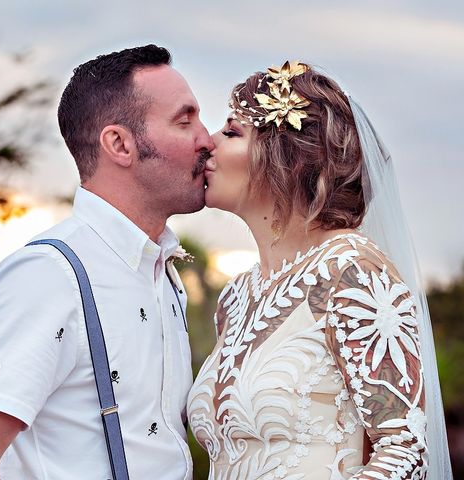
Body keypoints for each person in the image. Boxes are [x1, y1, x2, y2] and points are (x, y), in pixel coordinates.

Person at [0, 44, 214, 479]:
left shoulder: (164, 274)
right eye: (185, 121)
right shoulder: (49, 275)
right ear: (120, 144)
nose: (207, 139)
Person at [188, 61, 452, 479]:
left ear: (286, 158)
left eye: (232, 132)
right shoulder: (235, 298)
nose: (208, 145)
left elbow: (405, 449)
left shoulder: (354, 272)